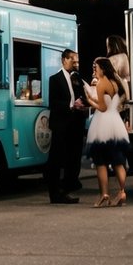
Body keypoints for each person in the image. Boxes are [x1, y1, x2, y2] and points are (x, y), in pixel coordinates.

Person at [83, 57, 131, 206]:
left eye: (95, 67)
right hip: (115, 122)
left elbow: (102, 108)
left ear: (102, 69)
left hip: (102, 124)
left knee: (101, 162)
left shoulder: (101, 83)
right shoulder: (116, 83)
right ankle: (122, 192)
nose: (94, 70)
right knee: (118, 162)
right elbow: (111, 104)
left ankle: (104, 194)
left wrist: (88, 99)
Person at [46, 48, 88, 204]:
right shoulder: (54, 79)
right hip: (60, 124)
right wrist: (71, 105)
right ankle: (55, 193)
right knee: (57, 159)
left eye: (77, 60)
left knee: (73, 158)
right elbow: (53, 103)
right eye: (73, 60)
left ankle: (67, 189)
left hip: (75, 125)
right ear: (64, 60)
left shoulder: (77, 78)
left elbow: (83, 95)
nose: (76, 63)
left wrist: (83, 104)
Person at [106, 34, 131, 123]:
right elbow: (126, 74)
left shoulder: (111, 59)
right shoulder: (125, 56)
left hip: (116, 89)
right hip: (125, 88)